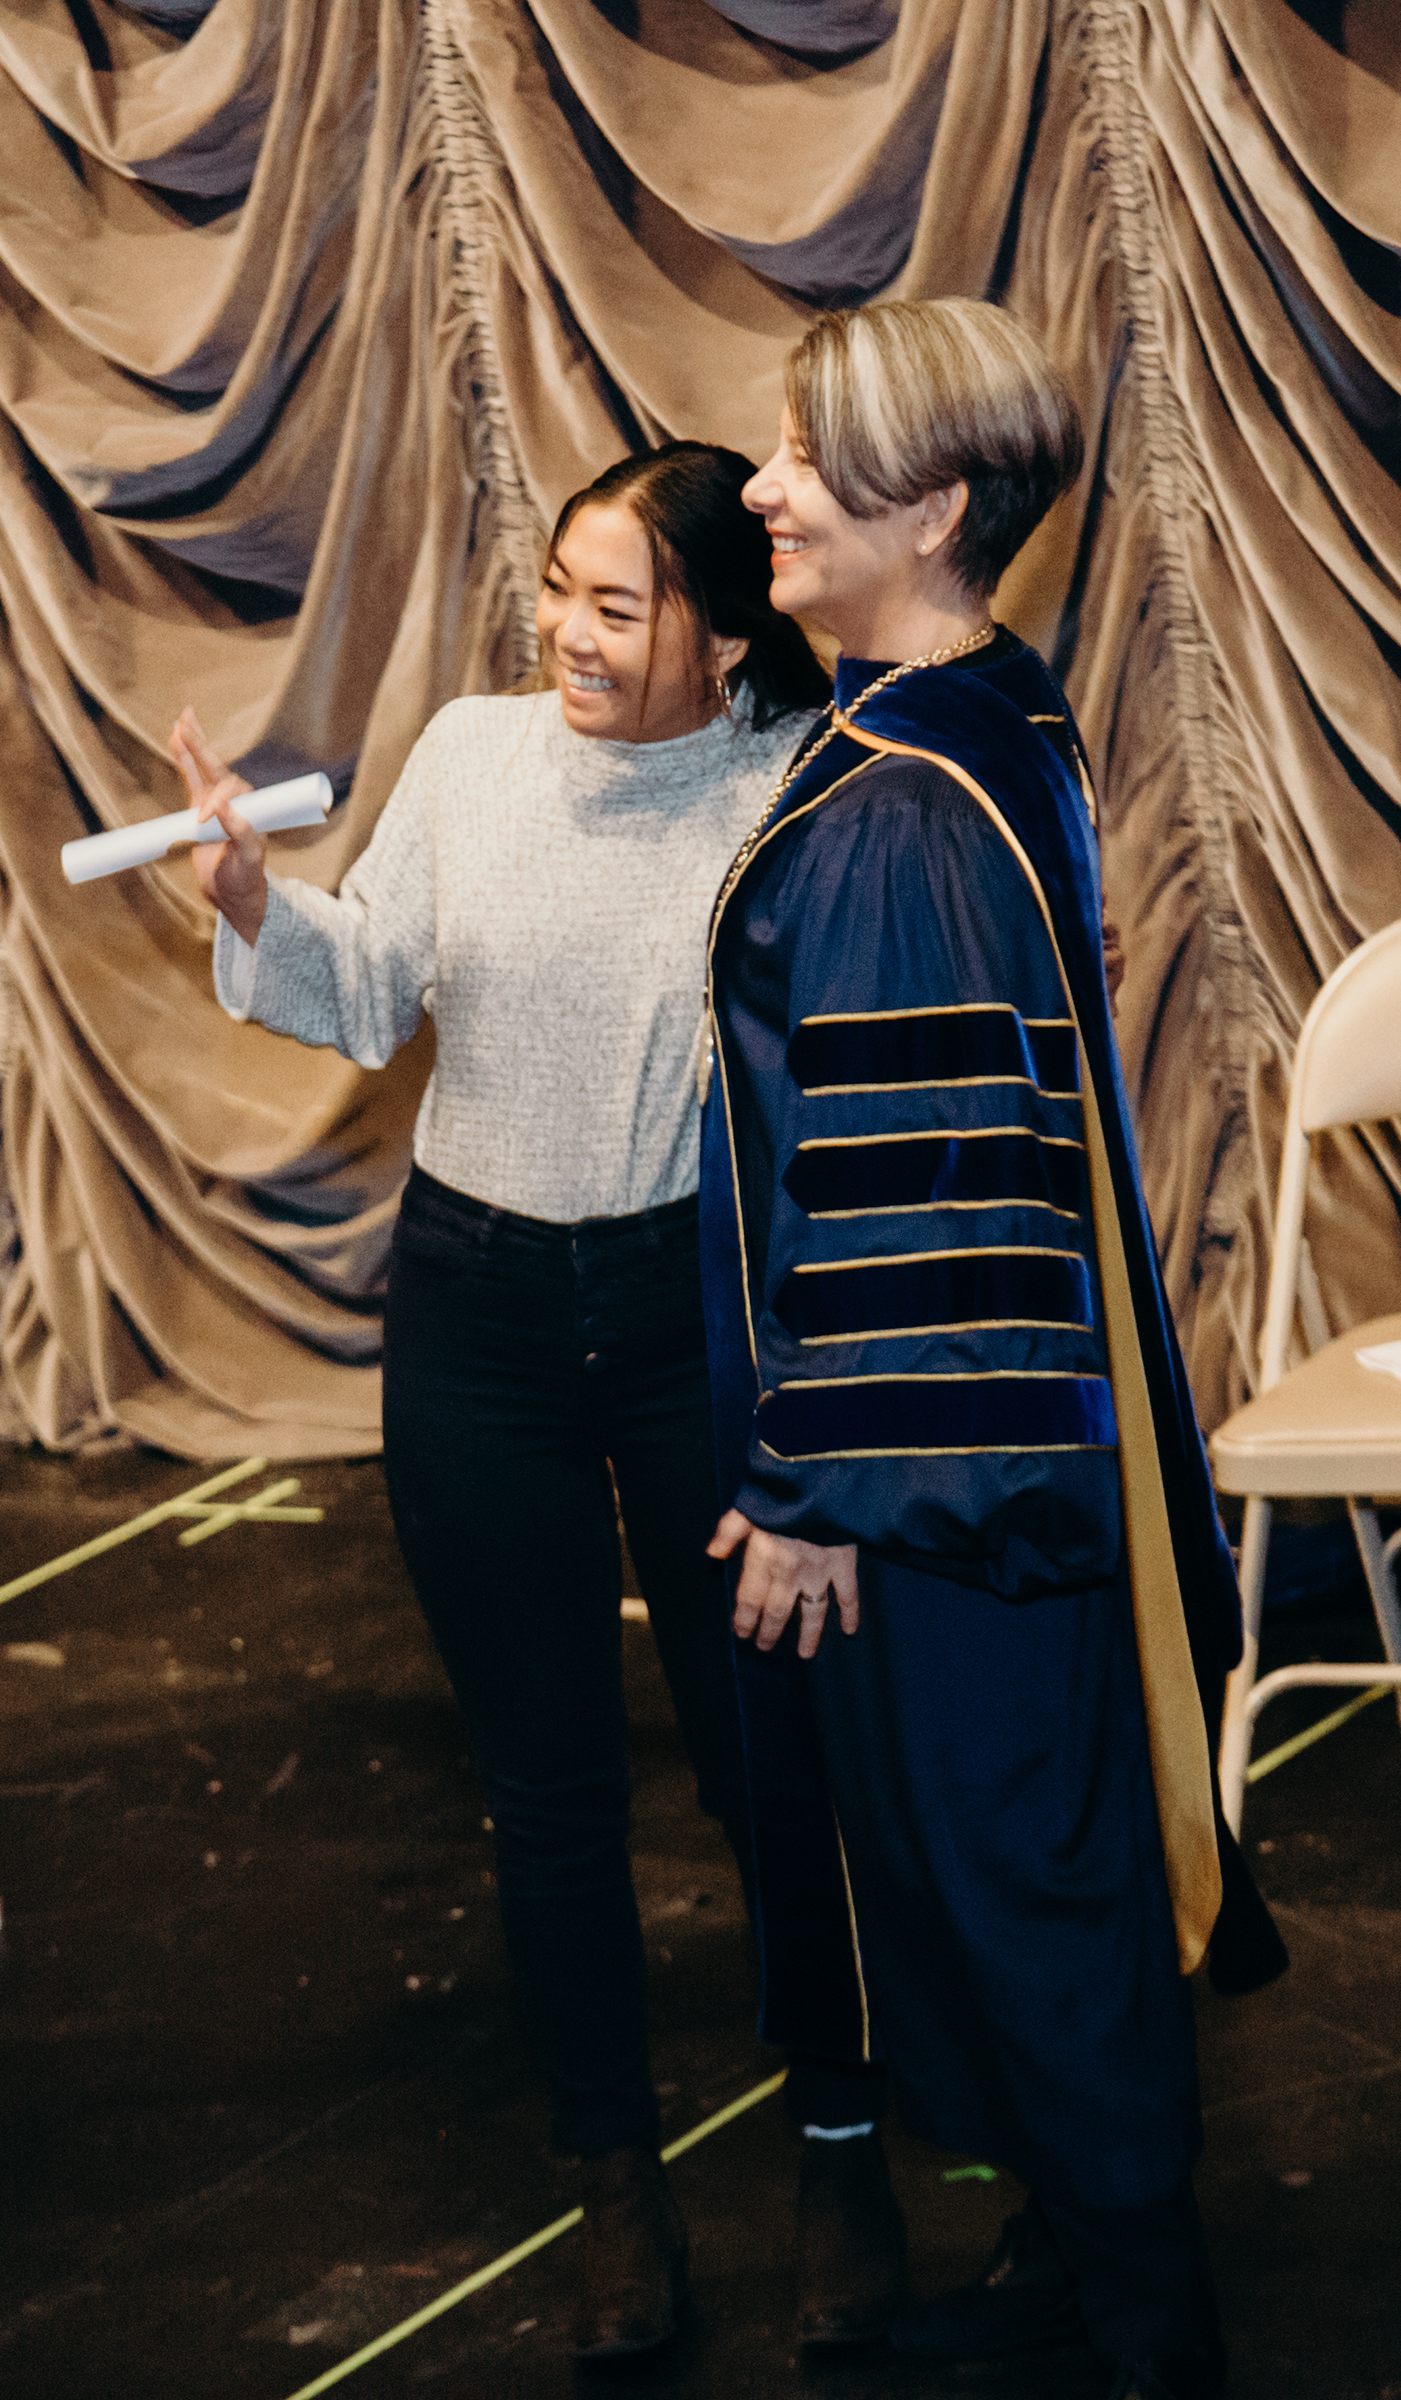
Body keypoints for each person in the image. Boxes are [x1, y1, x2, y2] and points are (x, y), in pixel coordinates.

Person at [169, 445, 905, 2358]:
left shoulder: (792, 794)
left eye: (616, 601)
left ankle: (843, 2146)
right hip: (481, 1314)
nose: (566, 633)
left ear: (728, 639)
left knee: (769, 1772)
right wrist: (260, 901)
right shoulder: (474, 757)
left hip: (691, 1323)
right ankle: (616, 2186)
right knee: (549, 1787)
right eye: (559, 589)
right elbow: (364, 986)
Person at [701, 298, 1285, 2400]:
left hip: (949, 1498)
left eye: (797, 455)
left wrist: (813, 1494)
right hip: (1032, 1452)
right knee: (1044, 1859)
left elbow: (919, 1186)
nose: (753, 487)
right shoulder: (981, 720)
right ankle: (1077, 2264)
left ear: (930, 506)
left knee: (1015, 1888)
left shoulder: (891, 823)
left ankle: (1143, 2335)